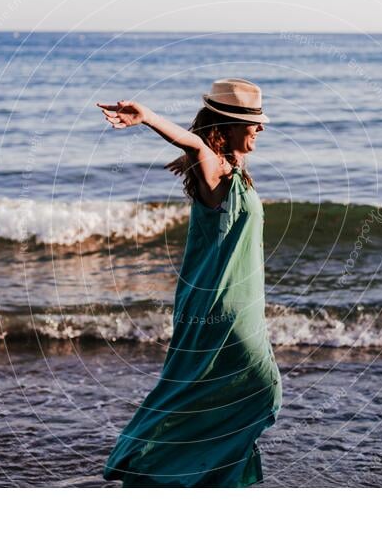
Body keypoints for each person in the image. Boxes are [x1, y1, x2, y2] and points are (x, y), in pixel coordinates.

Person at [97, 78, 283, 487]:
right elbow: (194, 144)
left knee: (219, 389)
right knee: (258, 387)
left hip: (238, 301)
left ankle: (209, 477)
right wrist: (146, 118)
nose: (261, 129)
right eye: (254, 121)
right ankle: (146, 460)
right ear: (230, 125)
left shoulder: (235, 173)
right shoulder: (212, 168)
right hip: (219, 305)